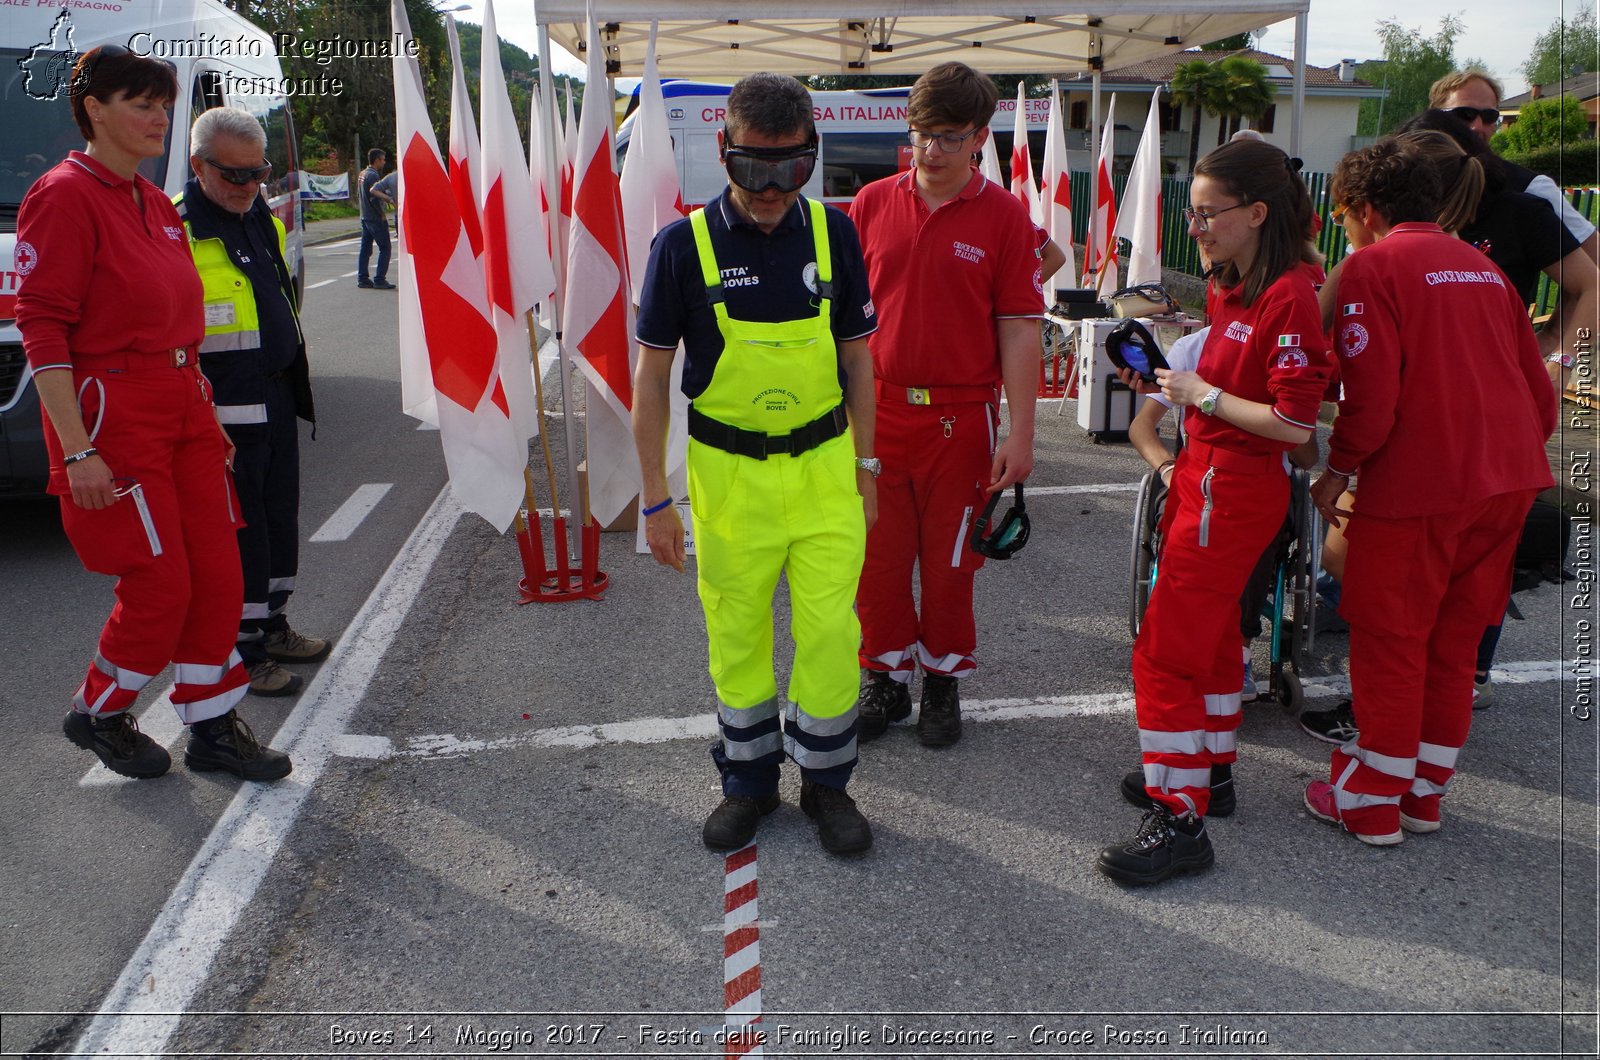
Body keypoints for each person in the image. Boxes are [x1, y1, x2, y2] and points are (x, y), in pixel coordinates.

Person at [15, 46, 291, 782]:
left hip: (184, 411)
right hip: (114, 416)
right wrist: (76, 451)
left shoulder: (151, 202)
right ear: (93, 110)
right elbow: (42, 328)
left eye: (164, 104)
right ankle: (100, 710)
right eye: (141, 104)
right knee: (160, 586)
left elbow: (183, 331)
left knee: (218, 579)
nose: (159, 117)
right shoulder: (64, 194)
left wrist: (205, 418)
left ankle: (211, 728)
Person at [633, 73, 879, 856]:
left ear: (813, 154)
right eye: (753, 169)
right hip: (729, 476)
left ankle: (827, 784)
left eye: (792, 168)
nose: (772, 189)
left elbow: (860, 362)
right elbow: (650, 380)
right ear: (723, 152)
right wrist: (653, 501)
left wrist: (867, 467)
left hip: (825, 469)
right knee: (736, 633)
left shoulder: (835, 234)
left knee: (831, 635)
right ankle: (748, 784)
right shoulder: (681, 247)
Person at [1304, 138, 1555, 845]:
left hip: (1421, 485)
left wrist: (1338, 470)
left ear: (1363, 210)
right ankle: (1423, 793)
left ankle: (1372, 799)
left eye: (1344, 215)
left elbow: (1373, 400)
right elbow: (1540, 393)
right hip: (1506, 481)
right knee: (1454, 643)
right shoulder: (1484, 268)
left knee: (1391, 639)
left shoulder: (1371, 267)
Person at [1097, 139, 1333, 885]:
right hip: (1210, 481)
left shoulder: (1289, 293)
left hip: (1229, 491)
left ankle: (1180, 816)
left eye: (1206, 214)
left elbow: (1298, 427)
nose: (1193, 227)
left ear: (1257, 213)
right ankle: (1210, 773)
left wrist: (1205, 397)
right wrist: (1186, 394)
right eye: (1190, 212)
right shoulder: (1238, 286)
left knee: (1164, 656)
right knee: (1203, 647)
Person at [848, 61, 1041, 747]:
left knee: (953, 560)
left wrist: (1021, 433)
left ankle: (943, 682)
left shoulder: (1005, 215)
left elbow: (1019, 328)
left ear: (980, 138)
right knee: (878, 556)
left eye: (949, 137)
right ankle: (885, 678)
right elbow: (843, 325)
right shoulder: (870, 203)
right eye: (921, 133)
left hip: (961, 417)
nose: (931, 150)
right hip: (878, 412)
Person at [174, 107, 329, 697]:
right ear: (198, 166)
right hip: (222, 414)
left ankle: (274, 622)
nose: (248, 187)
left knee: (279, 519)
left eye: (258, 173)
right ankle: (242, 649)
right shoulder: (176, 230)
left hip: (276, 396)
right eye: (233, 176)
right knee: (241, 536)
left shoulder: (264, 218)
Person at [1428, 69, 1599, 265]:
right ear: (1435, 117)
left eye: (1489, 116)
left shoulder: (1530, 186)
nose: (1477, 126)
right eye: (1464, 114)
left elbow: (1595, 261)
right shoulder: (1404, 176)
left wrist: (1576, 293)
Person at [356, 148, 394, 290]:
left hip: (364, 216)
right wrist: (382, 213)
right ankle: (379, 279)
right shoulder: (373, 176)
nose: (384, 162)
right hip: (374, 217)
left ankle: (363, 278)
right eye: (383, 159)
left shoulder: (362, 174)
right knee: (385, 247)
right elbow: (374, 197)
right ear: (377, 160)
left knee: (365, 248)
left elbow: (361, 195)